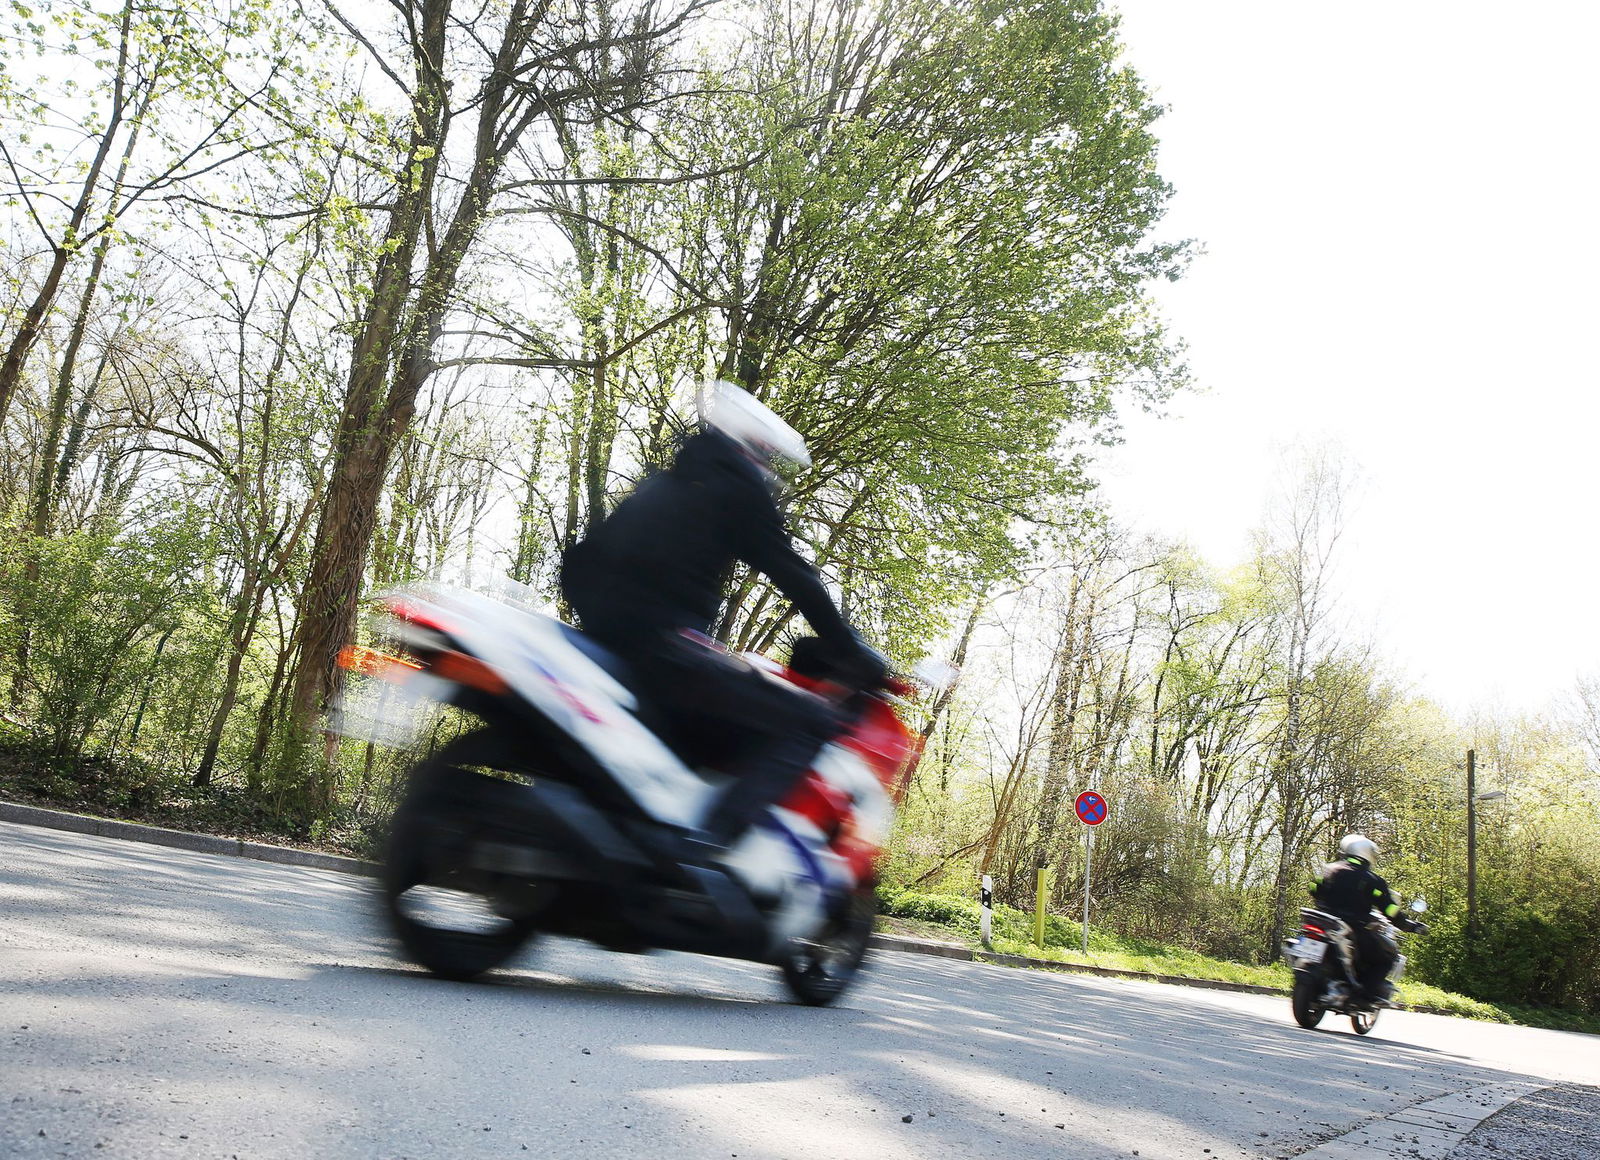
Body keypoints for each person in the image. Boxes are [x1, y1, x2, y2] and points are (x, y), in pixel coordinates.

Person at [559, 381, 881, 856]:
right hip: (664, 648)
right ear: (749, 446)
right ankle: (705, 852)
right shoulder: (735, 487)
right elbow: (794, 575)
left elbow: (582, 563)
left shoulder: (666, 482)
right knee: (809, 719)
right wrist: (849, 646)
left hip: (610, 644)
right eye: (767, 454)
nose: (769, 468)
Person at [1310, 834, 1423, 1003]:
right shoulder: (1372, 880)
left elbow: (1313, 888)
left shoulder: (1328, 869)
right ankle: (1362, 997)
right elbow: (1389, 910)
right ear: (1367, 853)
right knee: (1385, 959)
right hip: (1353, 927)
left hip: (1323, 921)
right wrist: (1408, 925)